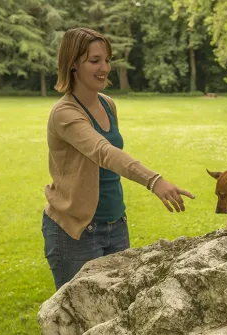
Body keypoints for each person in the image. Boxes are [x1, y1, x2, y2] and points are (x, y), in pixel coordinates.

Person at [42, 27, 195, 290]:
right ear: (73, 64)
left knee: (117, 316)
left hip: (116, 226)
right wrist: (153, 180)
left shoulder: (107, 104)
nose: (105, 67)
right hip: (76, 232)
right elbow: (104, 152)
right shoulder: (64, 114)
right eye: (94, 60)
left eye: (107, 60)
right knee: (80, 322)